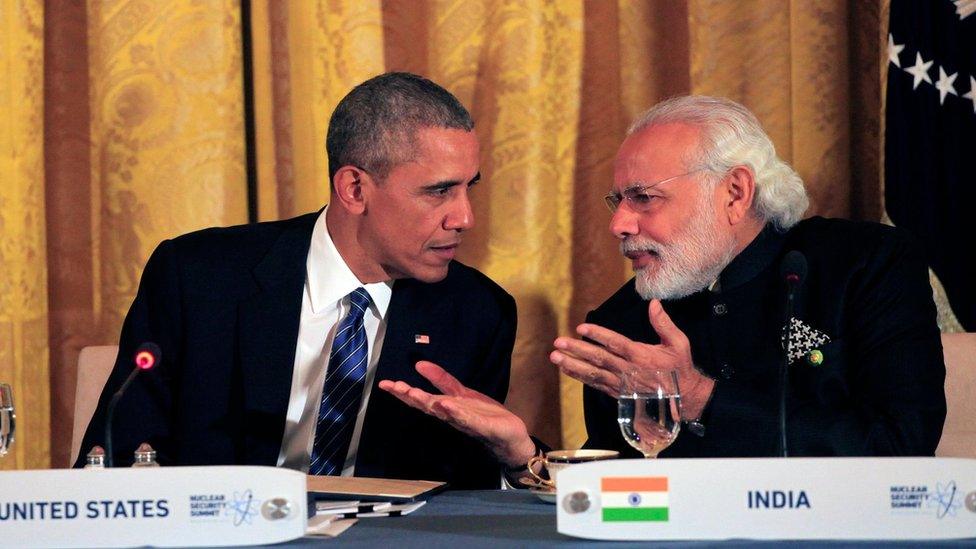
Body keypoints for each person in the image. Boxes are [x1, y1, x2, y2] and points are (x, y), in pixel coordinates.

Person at [382, 95, 946, 466]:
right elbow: (618, 496)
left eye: (644, 199)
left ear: (735, 192)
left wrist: (700, 398)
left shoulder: (867, 265)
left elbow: (901, 450)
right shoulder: (621, 325)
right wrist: (523, 451)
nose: (618, 224)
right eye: (618, 200)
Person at [76, 72, 519, 489]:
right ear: (354, 189)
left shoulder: (477, 312)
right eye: (439, 191)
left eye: (469, 188)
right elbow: (119, 457)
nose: (465, 217)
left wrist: (517, 454)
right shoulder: (199, 278)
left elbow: (464, 495)